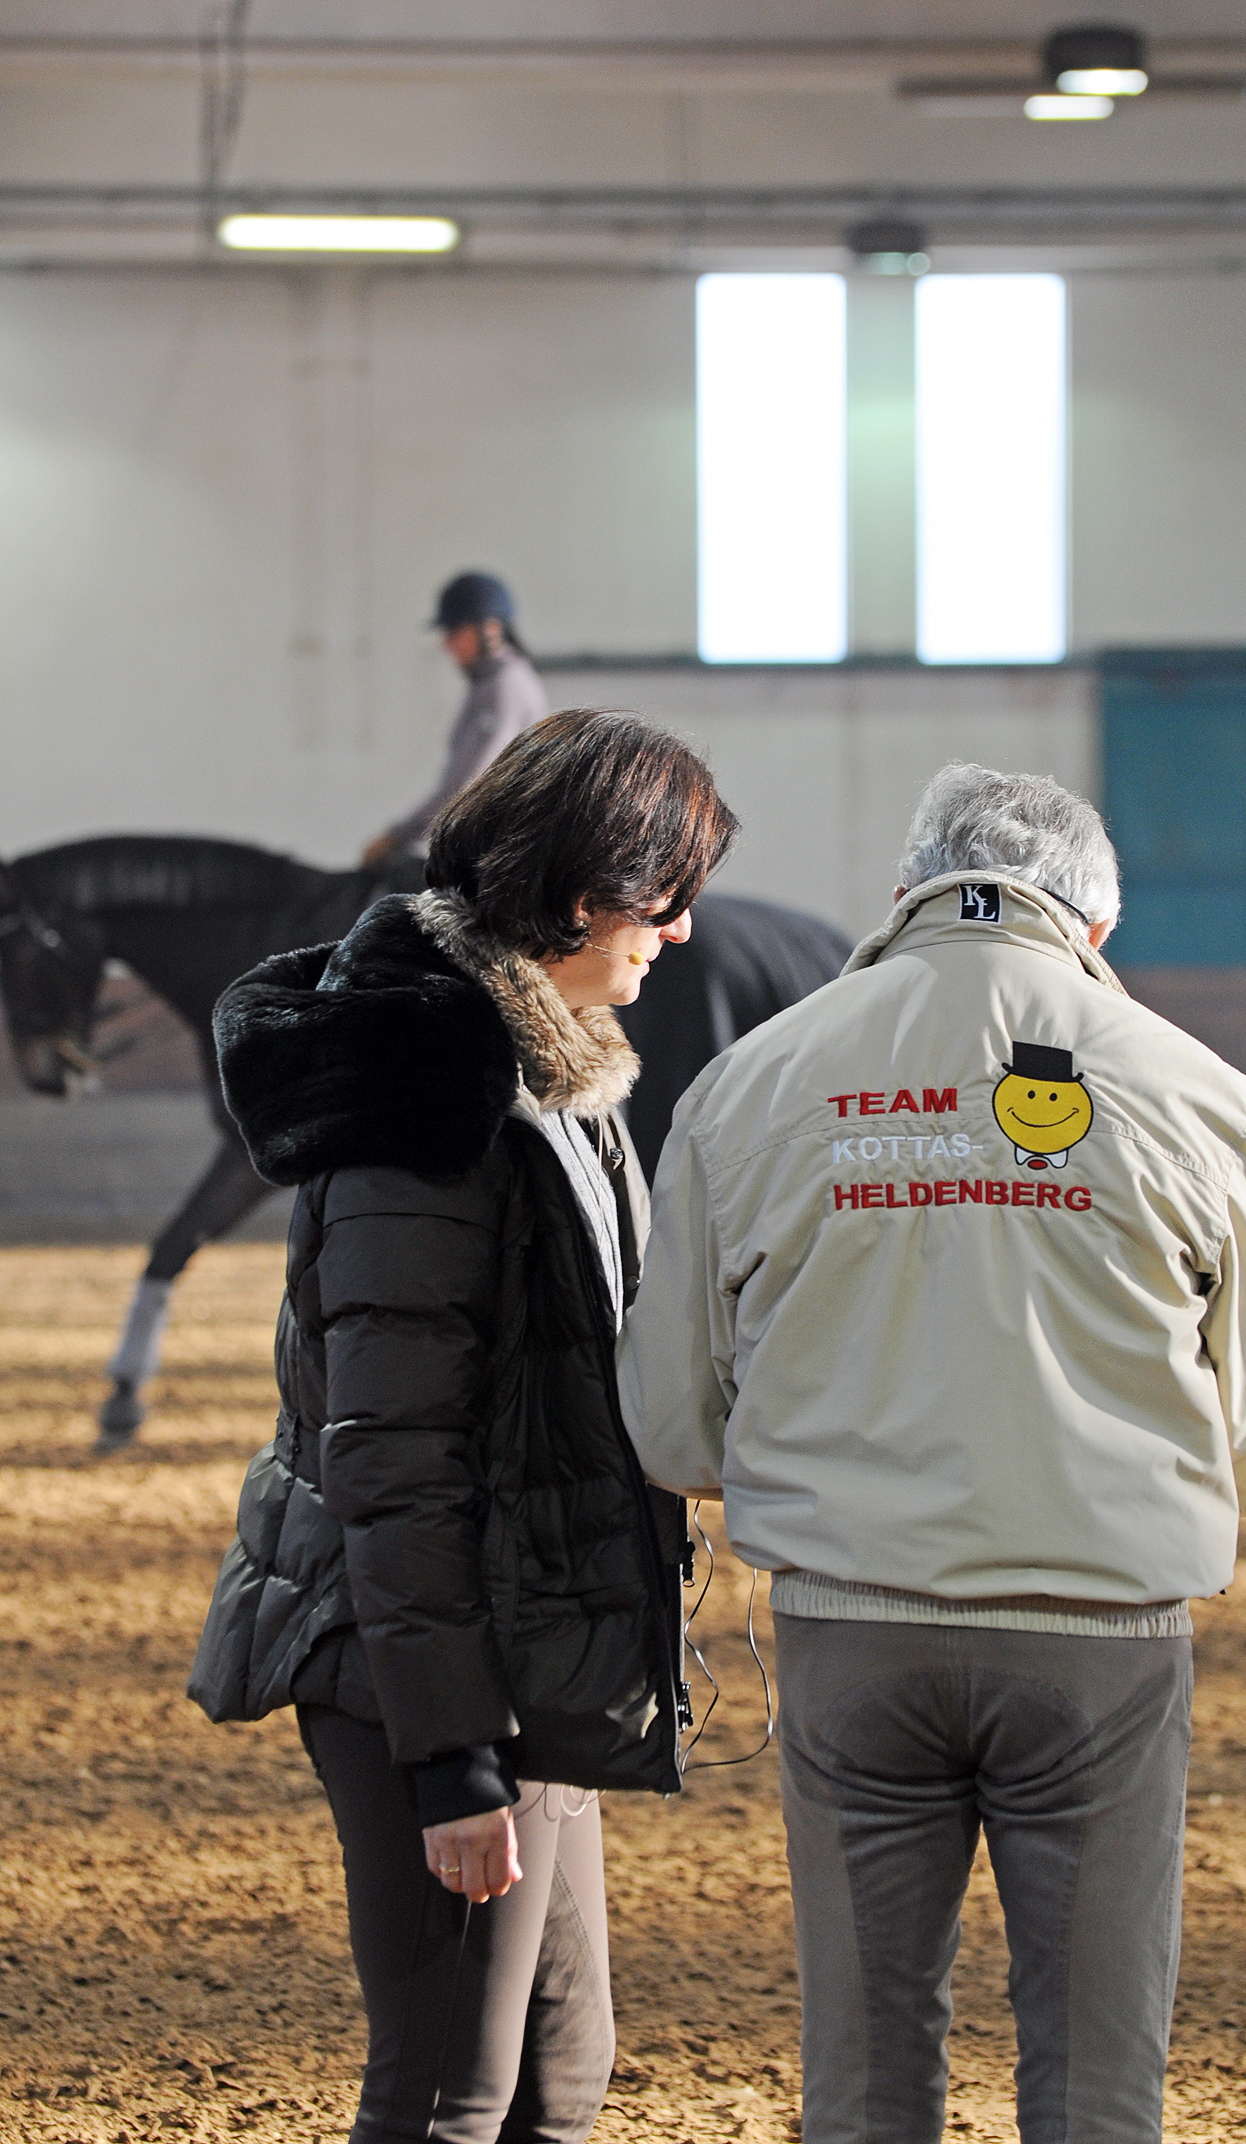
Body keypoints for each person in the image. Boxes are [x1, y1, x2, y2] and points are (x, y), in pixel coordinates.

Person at [617, 761, 1246, 2144]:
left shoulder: (747, 1086)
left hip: (847, 1631)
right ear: (1096, 929)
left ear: (903, 898)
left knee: (867, 2074)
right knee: (1096, 2079)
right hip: (1101, 1644)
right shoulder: (1212, 1099)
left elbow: (667, 1423)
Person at [190, 710, 739, 2144]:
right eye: (664, 900)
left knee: (560, 2074)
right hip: (418, 1670)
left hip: (520, 1639)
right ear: (577, 897)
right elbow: (393, 1446)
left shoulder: (552, 1067)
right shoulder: (433, 1092)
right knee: (448, 2093)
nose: (678, 936)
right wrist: (454, 1760)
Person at [361, 571, 548, 868]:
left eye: (455, 633)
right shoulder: (488, 683)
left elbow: (470, 787)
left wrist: (397, 836)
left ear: (490, 629)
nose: (447, 645)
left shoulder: (504, 687)